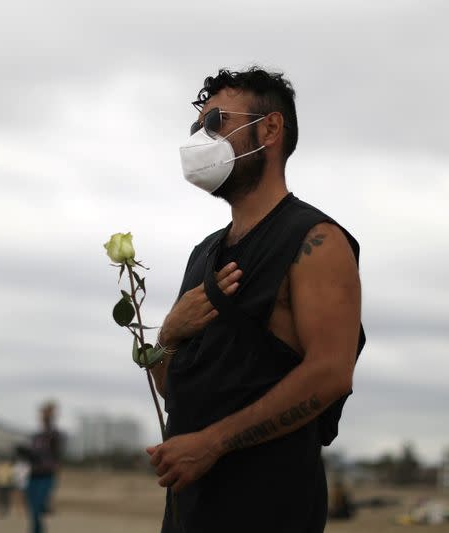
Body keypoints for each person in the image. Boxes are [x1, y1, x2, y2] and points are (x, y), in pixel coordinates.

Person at [146, 67, 365, 533]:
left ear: (269, 129)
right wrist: (168, 335)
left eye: (215, 123)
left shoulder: (316, 240)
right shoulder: (203, 254)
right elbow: (176, 389)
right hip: (190, 512)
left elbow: (331, 372)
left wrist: (213, 443)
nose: (200, 141)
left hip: (271, 509)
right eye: (196, 127)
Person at [17, 401, 64, 533]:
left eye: (46, 414)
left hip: (46, 476)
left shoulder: (55, 435)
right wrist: (26, 454)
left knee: (37, 508)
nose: (43, 417)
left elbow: (56, 456)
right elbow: (29, 458)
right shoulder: (35, 437)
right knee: (33, 510)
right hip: (32, 475)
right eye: (43, 414)